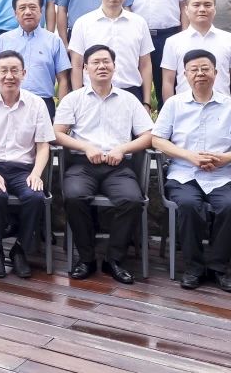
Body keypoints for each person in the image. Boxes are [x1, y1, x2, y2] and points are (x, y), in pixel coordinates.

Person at [151, 49, 231, 292]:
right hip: (183, 174)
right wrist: (188, 156)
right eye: (194, 69)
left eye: (205, 68)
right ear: (185, 74)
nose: (200, 73)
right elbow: (157, 140)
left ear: (215, 72)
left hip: (221, 175)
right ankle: (194, 268)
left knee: (230, 206)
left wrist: (227, 157)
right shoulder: (174, 104)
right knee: (189, 205)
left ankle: (219, 268)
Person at [54, 44, 154, 284]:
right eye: (96, 62)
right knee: (74, 197)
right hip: (82, 165)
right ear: (85, 68)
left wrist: (122, 149)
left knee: (132, 200)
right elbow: (56, 133)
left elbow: (149, 135)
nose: (102, 66)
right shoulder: (73, 99)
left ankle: (114, 260)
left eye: (106, 62)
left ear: (114, 66)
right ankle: (86, 258)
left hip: (117, 166)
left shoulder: (129, 100)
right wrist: (85, 147)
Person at [0, 51, 53, 278]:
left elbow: (43, 146)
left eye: (14, 70)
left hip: (23, 168)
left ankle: (19, 250)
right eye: (3, 71)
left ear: (24, 73)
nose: (9, 76)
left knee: (35, 197)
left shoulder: (36, 104)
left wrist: (36, 173)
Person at [68, 0, 154, 108]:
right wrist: (78, 101)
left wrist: (146, 103)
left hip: (131, 93)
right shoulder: (83, 23)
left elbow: (145, 64)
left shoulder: (139, 23)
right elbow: (77, 65)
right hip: (92, 95)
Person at [0, 0, 71, 117]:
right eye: (22, 8)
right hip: (8, 103)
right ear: (15, 13)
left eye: (33, 7)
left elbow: (63, 79)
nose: (28, 12)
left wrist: (62, 113)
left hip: (44, 104)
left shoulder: (54, 41)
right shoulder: (2, 41)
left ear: (41, 11)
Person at [160, 0, 231, 101]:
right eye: (196, 5)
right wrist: (171, 109)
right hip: (184, 107)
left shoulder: (230, 40)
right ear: (186, 10)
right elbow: (168, 81)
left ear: (215, 9)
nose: (202, 9)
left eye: (207, 5)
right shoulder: (173, 42)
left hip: (222, 107)